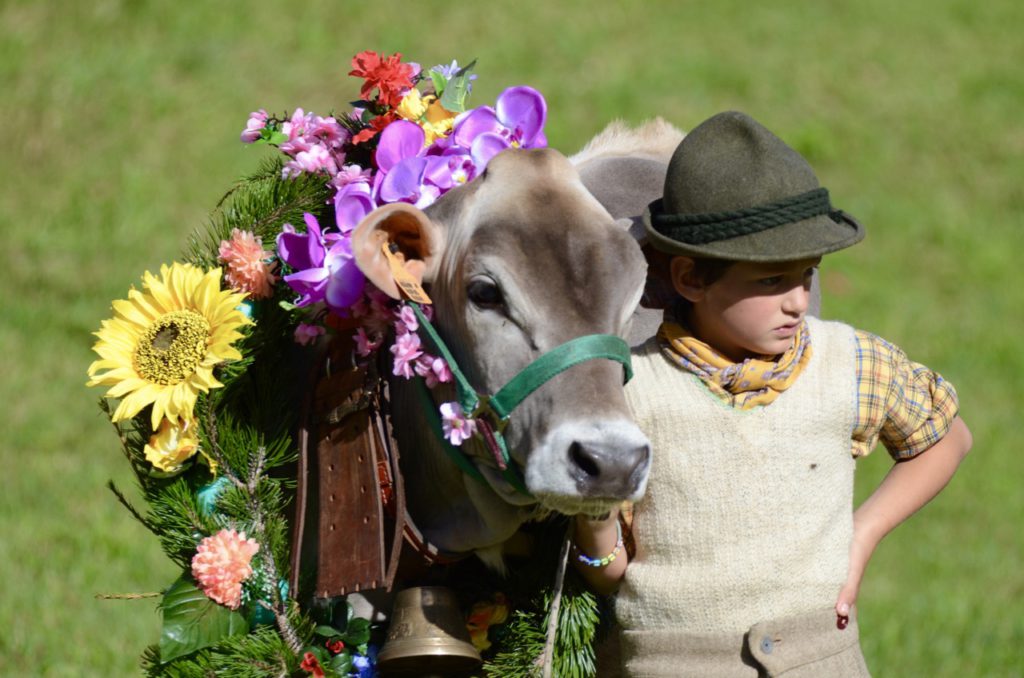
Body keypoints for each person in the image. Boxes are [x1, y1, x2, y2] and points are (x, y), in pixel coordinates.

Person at [570, 111, 972, 677]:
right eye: (769, 281)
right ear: (689, 279)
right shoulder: (633, 389)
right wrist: (594, 525)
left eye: (805, 275)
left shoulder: (849, 362)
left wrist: (862, 535)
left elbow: (945, 438)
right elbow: (610, 570)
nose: (799, 303)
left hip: (822, 663)